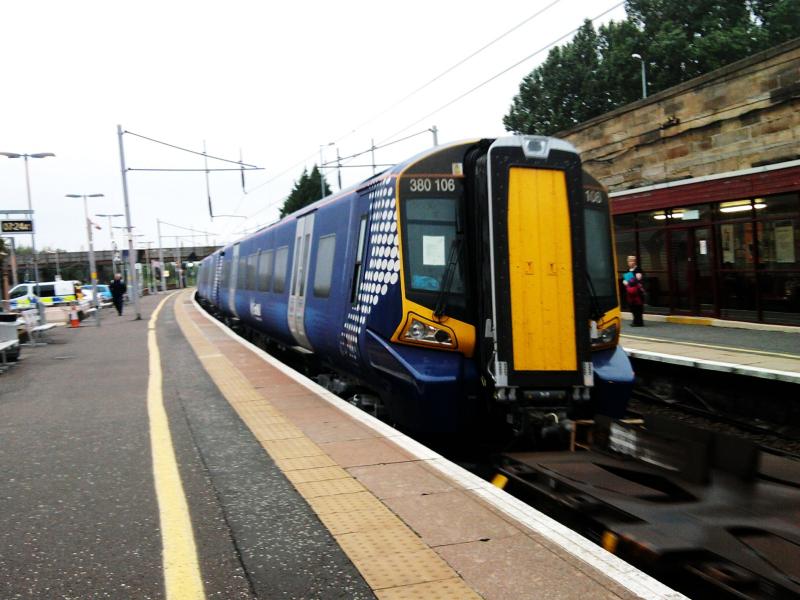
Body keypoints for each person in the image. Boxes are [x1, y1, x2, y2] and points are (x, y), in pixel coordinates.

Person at [622, 255, 645, 326]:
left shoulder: (638, 269)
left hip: (637, 292)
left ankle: (639, 322)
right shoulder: (628, 270)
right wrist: (624, 281)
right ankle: (635, 320)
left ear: (635, 261)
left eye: (632, 261)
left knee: (638, 307)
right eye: (629, 261)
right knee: (632, 307)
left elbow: (637, 279)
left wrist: (627, 282)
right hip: (630, 291)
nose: (630, 262)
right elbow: (625, 279)